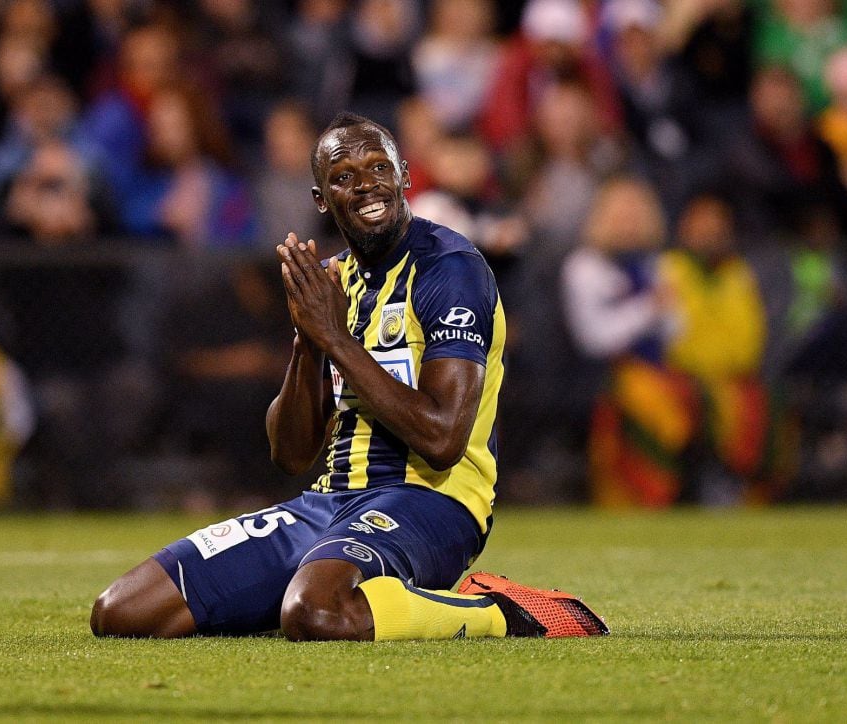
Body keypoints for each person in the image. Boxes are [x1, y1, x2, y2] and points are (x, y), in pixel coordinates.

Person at [91, 113, 607, 641]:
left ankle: (502, 612)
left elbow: (443, 438)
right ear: (321, 199)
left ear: (405, 176)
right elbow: (290, 455)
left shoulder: (450, 269)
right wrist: (308, 341)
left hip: (432, 503)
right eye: (343, 176)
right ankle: (321, 589)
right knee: (122, 612)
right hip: (329, 501)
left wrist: (338, 339)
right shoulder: (333, 282)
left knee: (318, 613)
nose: (364, 185)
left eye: (378, 167)